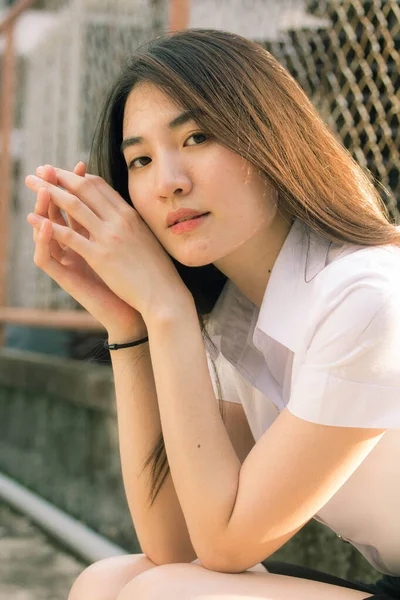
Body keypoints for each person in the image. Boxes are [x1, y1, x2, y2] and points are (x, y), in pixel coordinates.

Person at [25, 28, 400, 600]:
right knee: (111, 581)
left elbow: (225, 544)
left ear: (272, 140)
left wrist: (167, 308)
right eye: (141, 160)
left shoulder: (364, 297)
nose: (170, 182)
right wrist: (128, 325)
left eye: (198, 137)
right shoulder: (236, 316)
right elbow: (174, 544)